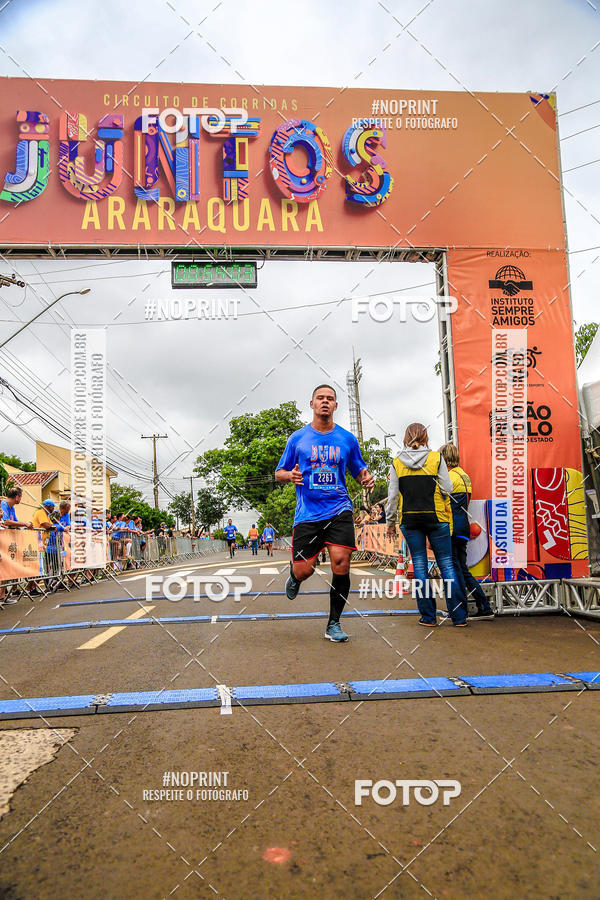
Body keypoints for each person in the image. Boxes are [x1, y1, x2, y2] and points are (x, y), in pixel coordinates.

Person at [276, 384, 374, 642]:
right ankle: (294, 575)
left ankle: (334, 623)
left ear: (335, 405)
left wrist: (365, 478)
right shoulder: (297, 439)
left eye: (330, 398)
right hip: (308, 514)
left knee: (341, 562)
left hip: (339, 509)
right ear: (312, 404)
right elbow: (279, 473)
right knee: (304, 570)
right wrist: (290, 475)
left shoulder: (347, 439)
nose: (325, 402)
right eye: (320, 398)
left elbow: (359, 469)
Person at [385, 423, 467, 627]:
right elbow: (447, 489)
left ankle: (428, 617)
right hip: (437, 517)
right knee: (447, 565)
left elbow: (393, 496)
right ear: (425, 437)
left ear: (406, 437)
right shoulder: (436, 458)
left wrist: (390, 522)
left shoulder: (397, 463)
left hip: (410, 520)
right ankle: (459, 617)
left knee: (419, 566)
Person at [440, 443, 495, 620]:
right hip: (464, 527)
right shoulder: (464, 475)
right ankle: (484, 606)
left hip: (451, 528)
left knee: (453, 570)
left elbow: (441, 504)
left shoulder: (447, 478)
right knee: (462, 569)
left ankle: (459, 611)